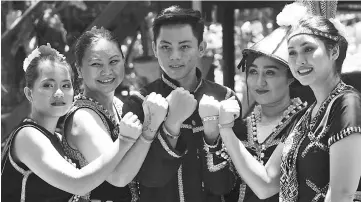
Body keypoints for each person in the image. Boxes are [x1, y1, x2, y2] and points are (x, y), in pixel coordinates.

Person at [217, 6, 361, 202]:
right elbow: (266, 184)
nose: (300, 60)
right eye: (292, 53)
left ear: (334, 51)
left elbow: (342, 194)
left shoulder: (346, 104)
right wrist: (225, 129)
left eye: (308, 49)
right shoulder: (305, 117)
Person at [122, 5, 239, 202]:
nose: (174, 56)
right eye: (165, 47)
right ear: (154, 49)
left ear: (201, 48)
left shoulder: (225, 99)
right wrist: (171, 125)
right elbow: (150, 178)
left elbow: (223, 185)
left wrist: (212, 135)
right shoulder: (139, 103)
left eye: (184, 46)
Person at [1, 44, 143, 202]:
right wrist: (124, 141)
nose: (59, 93)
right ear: (29, 93)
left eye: (65, 85)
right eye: (47, 85)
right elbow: (78, 184)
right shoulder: (27, 136)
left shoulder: (57, 139)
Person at [62, 27, 168, 202]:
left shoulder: (119, 106)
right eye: (96, 64)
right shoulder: (82, 118)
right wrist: (150, 128)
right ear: (79, 69)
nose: (107, 71)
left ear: (124, 62)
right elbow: (117, 177)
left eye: (114, 61)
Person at [222, 22, 309, 202]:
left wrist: (224, 130)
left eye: (270, 73)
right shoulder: (240, 125)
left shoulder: (305, 122)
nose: (259, 82)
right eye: (253, 72)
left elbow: (266, 187)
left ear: (291, 77)